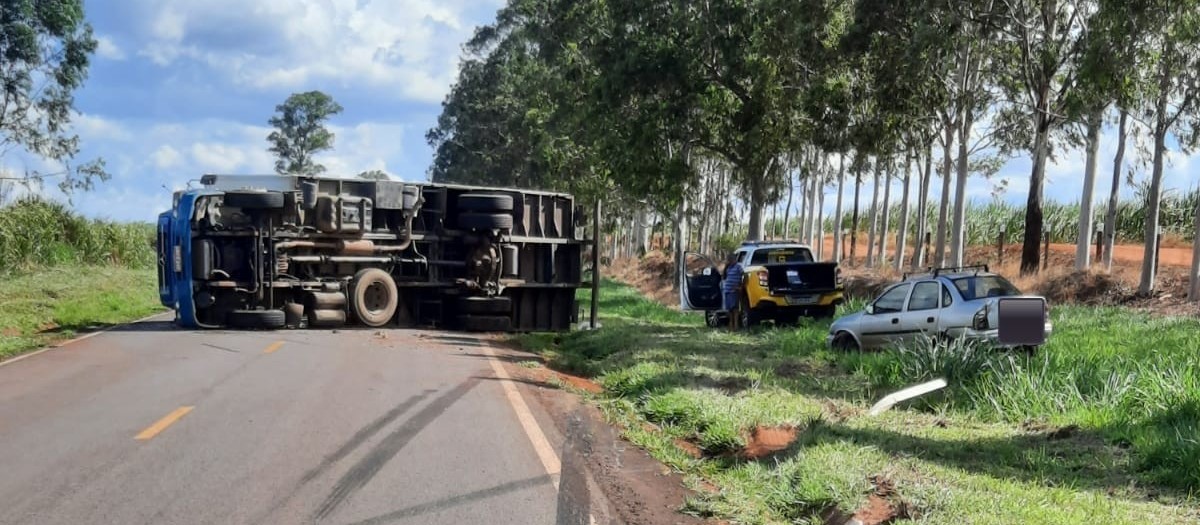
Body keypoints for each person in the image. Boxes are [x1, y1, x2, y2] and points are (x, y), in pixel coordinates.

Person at [721, 252, 743, 328]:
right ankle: (731, 323)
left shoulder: (738, 267)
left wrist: (740, 286)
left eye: (731, 259)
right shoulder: (728, 267)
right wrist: (725, 266)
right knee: (729, 309)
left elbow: (744, 276)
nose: (730, 261)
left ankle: (736, 324)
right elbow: (724, 277)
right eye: (729, 260)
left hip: (734, 290)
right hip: (727, 290)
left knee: (735, 308)